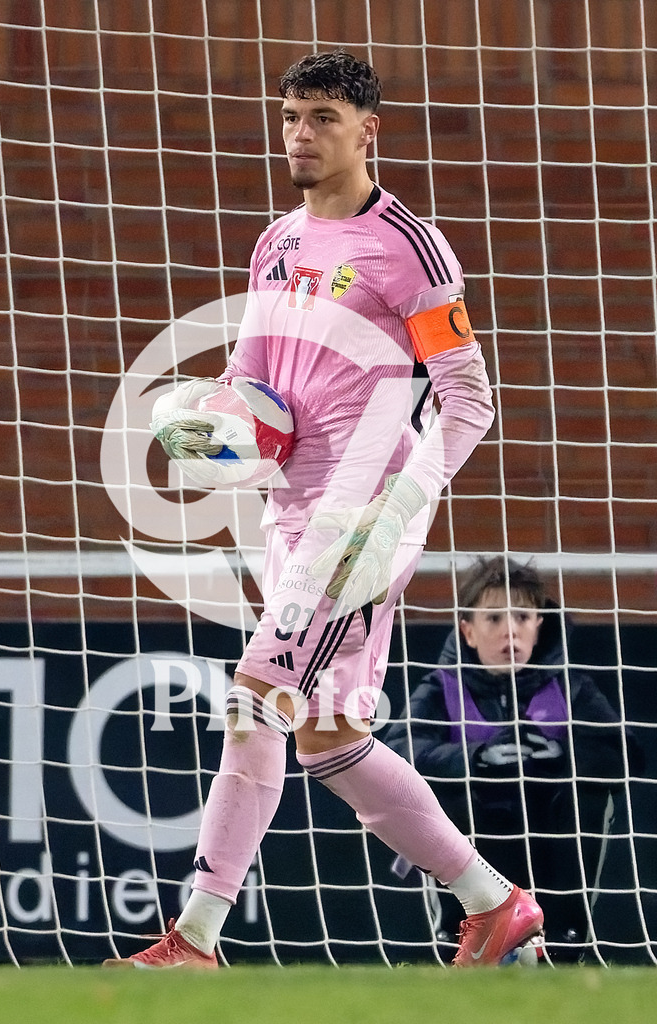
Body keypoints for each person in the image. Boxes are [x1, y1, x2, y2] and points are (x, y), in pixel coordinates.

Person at [103, 49, 543, 970]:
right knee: (329, 736)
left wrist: (398, 510)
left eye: (323, 119)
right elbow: (251, 378)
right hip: (291, 512)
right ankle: (492, 903)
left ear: (366, 131)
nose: (300, 135)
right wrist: (216, 426)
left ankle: (195, 939)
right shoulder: (276, 241)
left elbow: (469, 399)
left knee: (256, 699)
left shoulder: (408, 247)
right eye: (291, 117)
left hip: (362, 516)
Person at [385, 556, 638, 957]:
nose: (510, 630)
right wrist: (477, 758)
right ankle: (457, 937)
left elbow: (622, 755)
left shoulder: (569, 687)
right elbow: (399, 750)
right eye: (494, 618)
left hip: (550, 834)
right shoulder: (441, 687)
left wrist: (560, 756)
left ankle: (565, 939)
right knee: (439, 791)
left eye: (522, 616)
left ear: (539, 624)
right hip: (475, 836)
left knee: (591, 795)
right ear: (468, 631)